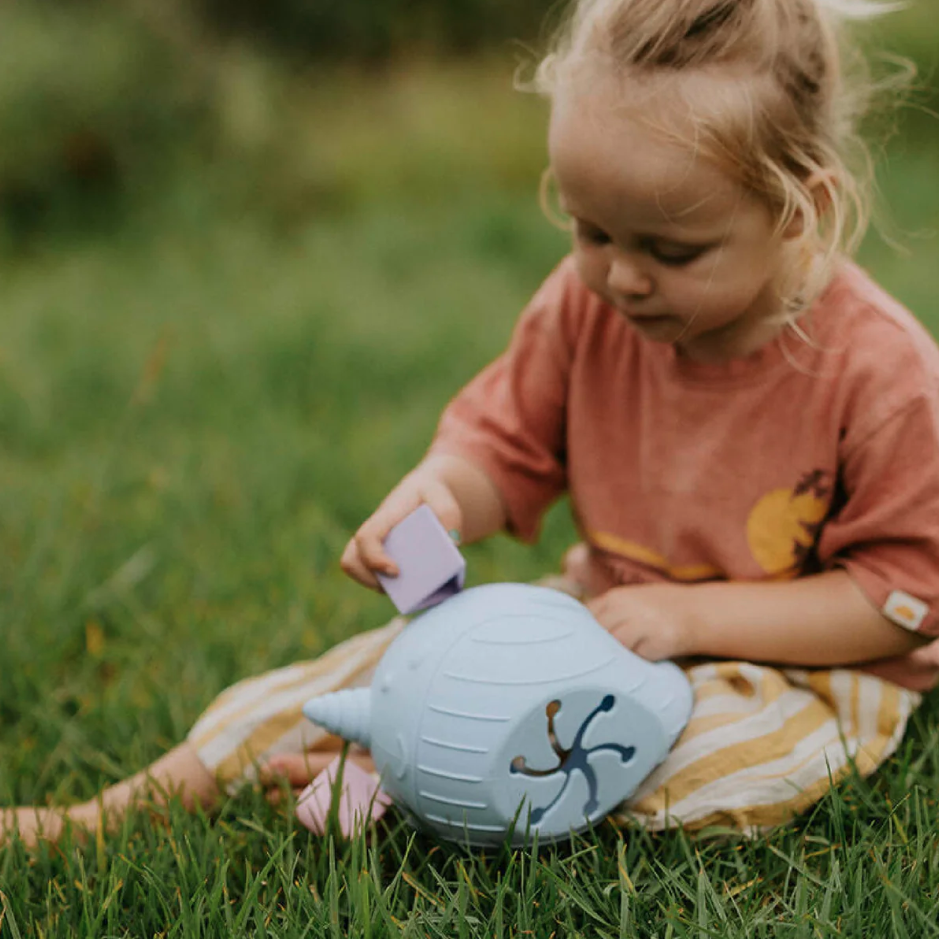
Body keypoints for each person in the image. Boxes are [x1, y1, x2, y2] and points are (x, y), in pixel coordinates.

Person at [6, 0, 939, 847]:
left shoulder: (878, 371)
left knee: (699, 760)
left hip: (806, 667)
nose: (621, 276)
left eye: (671, 249)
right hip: (601, 623)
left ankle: (398, 785)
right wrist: (436, 500)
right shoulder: (587, 315)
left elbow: (902, 597)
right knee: (356, 675)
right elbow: (503, 450)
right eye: (591, 232)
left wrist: (690, 614)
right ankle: (114, 810)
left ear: (797, 208)